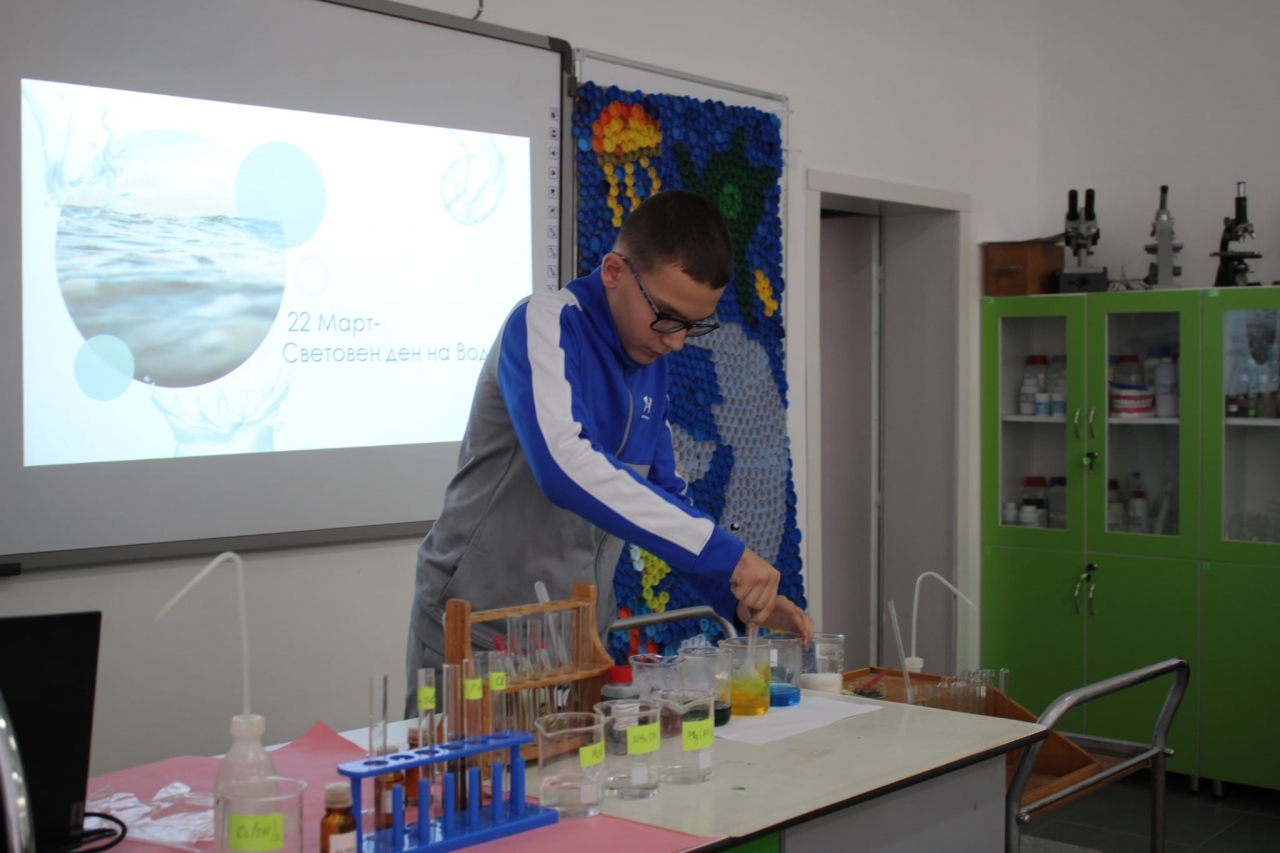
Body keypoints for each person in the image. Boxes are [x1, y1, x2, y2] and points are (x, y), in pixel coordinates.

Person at [406, 189, 812, 710]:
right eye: (667, 316)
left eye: (693, 326)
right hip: (480, 635)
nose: (676, 342)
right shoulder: (544, 323)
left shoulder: (650, 364)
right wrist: (726, 554)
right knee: (464, 768)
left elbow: (665, 499)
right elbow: (564, 466)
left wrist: (736, 596)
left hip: (576, 644)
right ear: (615, 271)